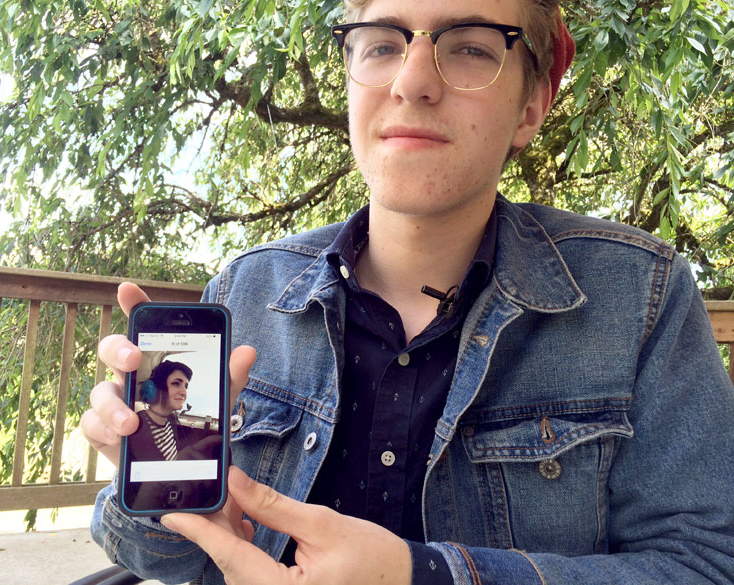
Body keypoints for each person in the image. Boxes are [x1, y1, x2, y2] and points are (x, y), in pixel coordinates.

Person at [81, 0, 734, 583]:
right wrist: (158, 490)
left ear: (531, 106)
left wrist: (424, 576)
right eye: (383, 44)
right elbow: (168, 561)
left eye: (471, 47)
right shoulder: (247, 289)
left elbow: (706, 563)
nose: (412, 81)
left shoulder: (640, 297)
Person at [129, 360, 193, 462]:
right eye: (176, 383)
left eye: (185, 386)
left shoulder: (171, 418)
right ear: (156, 388)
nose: (184, 393)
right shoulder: (138, 427)